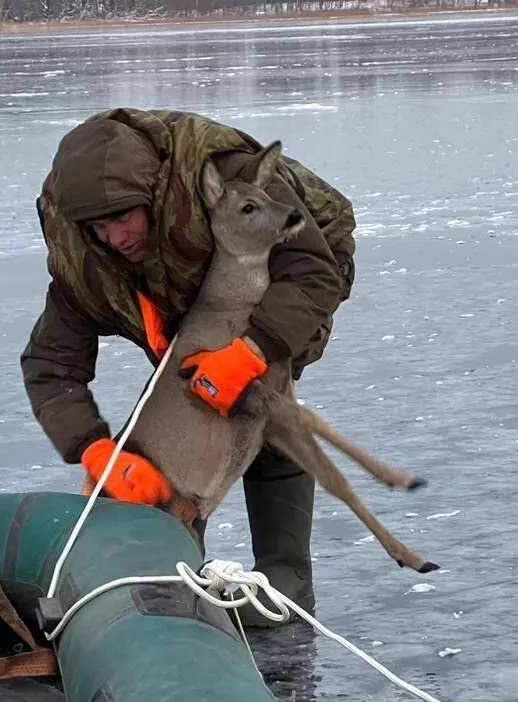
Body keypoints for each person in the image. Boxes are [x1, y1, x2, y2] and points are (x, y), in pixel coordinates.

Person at [19, 107, 357, 626]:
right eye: (100, 226)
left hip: (294, 255)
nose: (115, 236)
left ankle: (286, 580)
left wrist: (252, 351)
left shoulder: (225, 173)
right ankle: (173, 576)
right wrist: (94, 449)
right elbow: (50, 364)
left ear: (153, 196)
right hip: (184, 291)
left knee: (255, 402)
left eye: (123, 218)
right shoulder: (83, 260)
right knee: (180, 412)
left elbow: (313, 273)